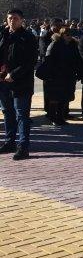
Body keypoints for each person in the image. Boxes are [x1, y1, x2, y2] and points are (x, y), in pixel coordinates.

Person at [0, 9, 38, 160]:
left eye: (15, 18)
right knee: (7, 112)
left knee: (21, 114)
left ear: (22, 20)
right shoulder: (3, 34)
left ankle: (23, 146)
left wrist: (13, 75)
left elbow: (30, 61)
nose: (12, 21)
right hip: (3, 81)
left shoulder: (28, 37)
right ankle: (9, 142)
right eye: (10, 18)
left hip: (21, 83)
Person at [43, 28, 81, 126]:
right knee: (55, 98)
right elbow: (48, 60)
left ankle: (60, 117)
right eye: (66, 34)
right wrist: (51, 74)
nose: (69, 36)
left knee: (64, 97)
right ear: (61, 35)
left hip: (68, 75)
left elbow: (77, 59)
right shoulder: (55, 44)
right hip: (56, 76)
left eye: (70, 34)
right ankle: (53, 117)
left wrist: (77, 71)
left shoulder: (73, 45)